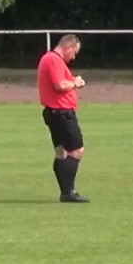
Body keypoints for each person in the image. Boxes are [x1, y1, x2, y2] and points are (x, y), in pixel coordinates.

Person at [37, 34, 89, 203]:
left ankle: (65, 192)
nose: (73, 57)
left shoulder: (49, 59)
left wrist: (71, 80)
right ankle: (69, 192)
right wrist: (76, 83)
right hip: (62, 113)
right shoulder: (54, 60)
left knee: (61, 152)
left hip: (54, 112)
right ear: (68, 47)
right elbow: (59, 85)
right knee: (77, 150)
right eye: (74, 52)